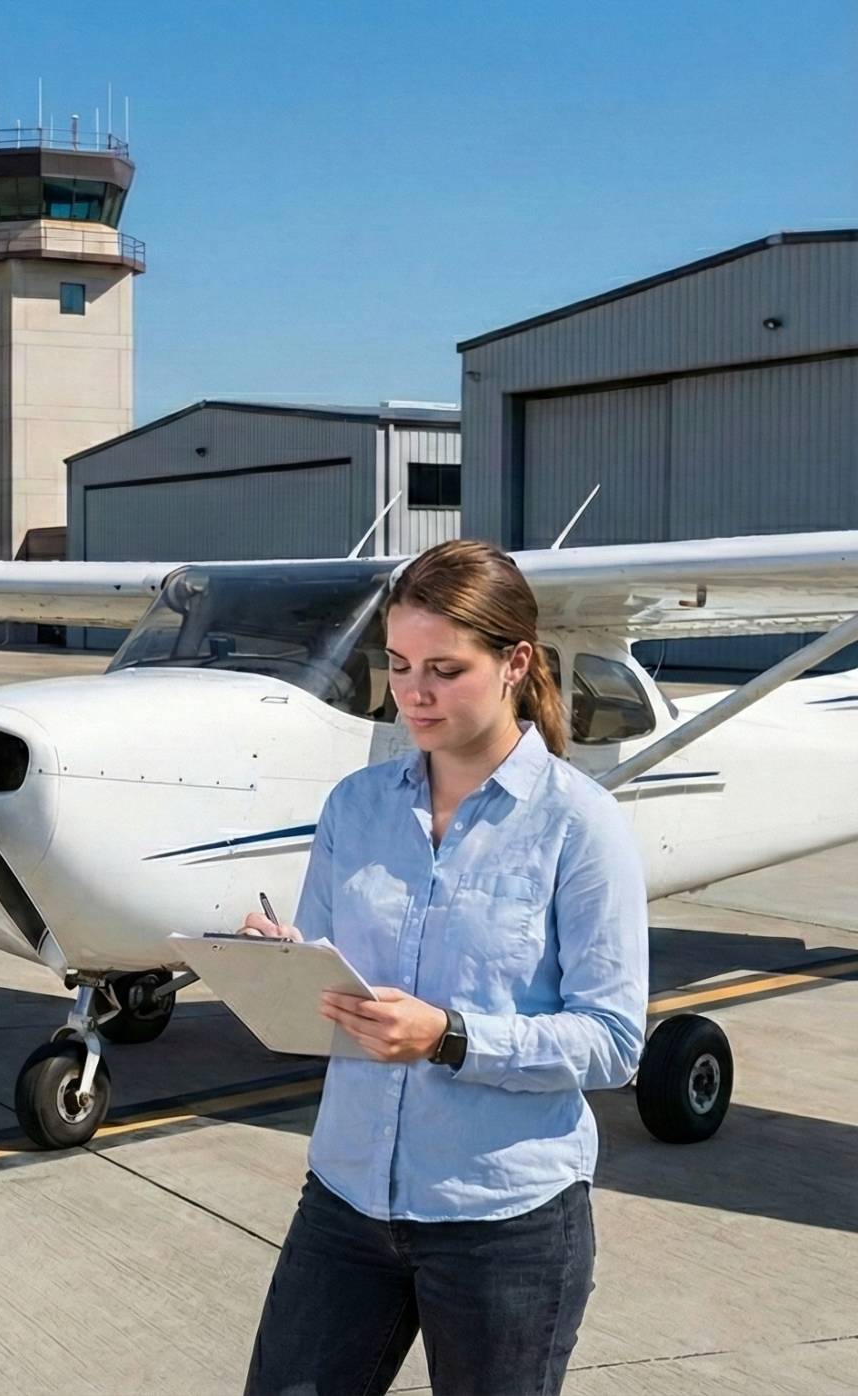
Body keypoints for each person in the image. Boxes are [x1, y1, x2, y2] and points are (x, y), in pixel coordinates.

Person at [238, 539, 648, 1396]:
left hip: (505, 1223)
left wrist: (448, 1037)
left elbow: (613, 1041)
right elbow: (328, 976)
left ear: (515, 664)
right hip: (346, 1198)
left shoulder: (580, 824)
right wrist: (280, 966)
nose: (413, 693)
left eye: (444, 670)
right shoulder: (354, 805)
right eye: (397, 665)